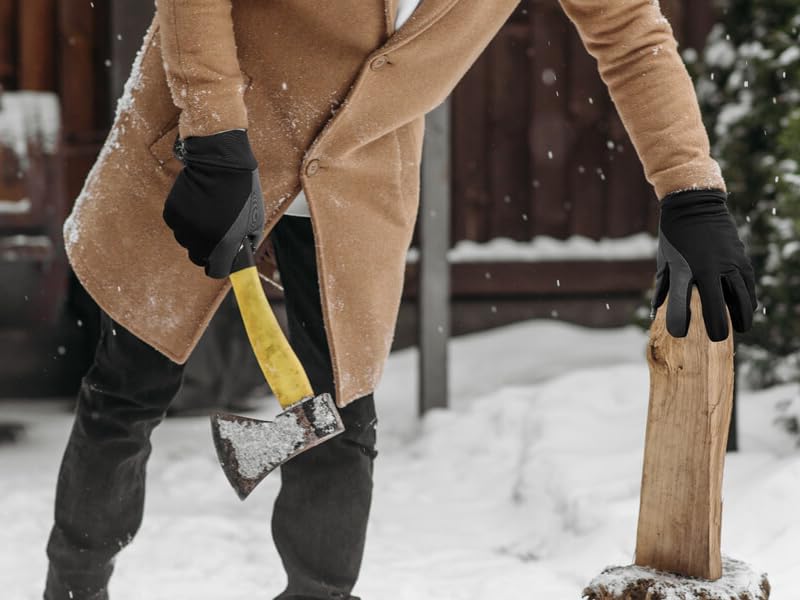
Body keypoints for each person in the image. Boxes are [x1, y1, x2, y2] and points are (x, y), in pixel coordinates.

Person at [46, 0, 757, 599]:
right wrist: (216, 133)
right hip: (208, 136)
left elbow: (630, 33)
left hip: (355, 177)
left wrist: (691, 192)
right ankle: (73, 586)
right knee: (129, 389)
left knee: (340, 421)